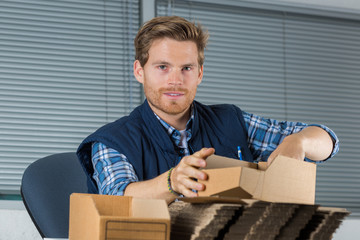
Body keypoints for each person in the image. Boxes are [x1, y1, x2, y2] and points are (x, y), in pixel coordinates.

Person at [77, 16, 338, 204]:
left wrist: (298, 141)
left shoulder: (230, 120)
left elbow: (328, 140)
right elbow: (117, 199)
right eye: (162, 67)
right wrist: (172, 182)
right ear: (139, 71)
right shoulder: (112, 141)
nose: (175, 80)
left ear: (200, 73)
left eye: (186, 68)